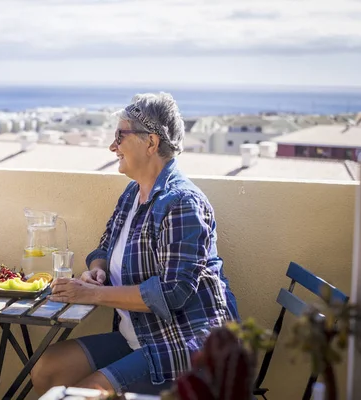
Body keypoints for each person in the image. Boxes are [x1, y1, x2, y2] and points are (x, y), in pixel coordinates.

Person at [31, 92, 239, 396]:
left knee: (76, 396)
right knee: (47, 372)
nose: (112, 146)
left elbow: (173, 293)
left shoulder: (182, 203)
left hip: (183, 345)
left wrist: (95, 294)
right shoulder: (133, 193)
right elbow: (104, 246)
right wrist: (97, 270)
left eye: (120, 136)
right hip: (140, 334)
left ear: (151, 143)